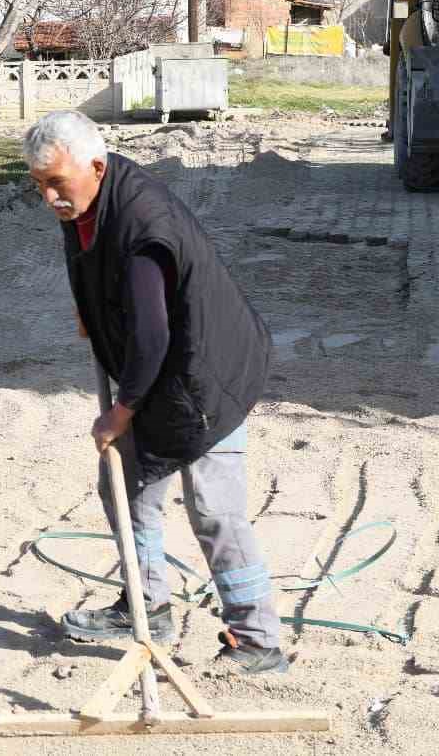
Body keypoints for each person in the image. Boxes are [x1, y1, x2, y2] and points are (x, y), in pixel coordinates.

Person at [23, 110, 287, 674]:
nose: (49, 198)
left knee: (214, 508)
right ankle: (146, 606)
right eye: (39, 185)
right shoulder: (88, 196)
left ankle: (259, 639)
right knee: (125, 482)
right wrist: (89, 306)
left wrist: (120, 413)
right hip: (163, 369)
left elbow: (152, 335)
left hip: (206, 374)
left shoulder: (143, 223)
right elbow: (100, 272)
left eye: (57, 185)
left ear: (96, 166)